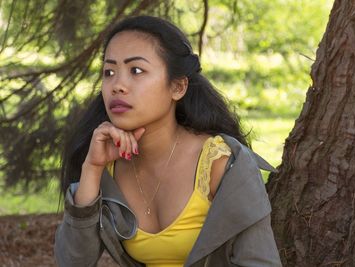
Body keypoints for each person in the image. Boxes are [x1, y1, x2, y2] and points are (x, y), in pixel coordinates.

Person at [54, 15, 282, 267]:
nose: (117, 85)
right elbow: (72, 262)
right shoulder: (106, 167)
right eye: (109, 72)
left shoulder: (220, 163)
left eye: (136, 70)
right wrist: (92, 169)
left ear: (177, 87)